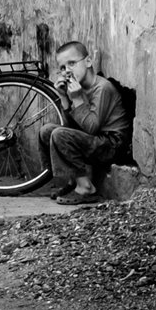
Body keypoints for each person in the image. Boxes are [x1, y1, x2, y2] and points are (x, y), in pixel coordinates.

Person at [40, 41, 132, 205]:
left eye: (72, 63)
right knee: (47, 131)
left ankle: (86, 188)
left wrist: (76, 98)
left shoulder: (102, 88)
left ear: (88, 61)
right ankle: (74, 180)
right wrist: (63, 97)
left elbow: (92, 128)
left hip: (111, 144)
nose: (67, 71)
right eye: (62, 67)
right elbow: (72, 128)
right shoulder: (77, 88)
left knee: (59, 134)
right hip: (95, 140)